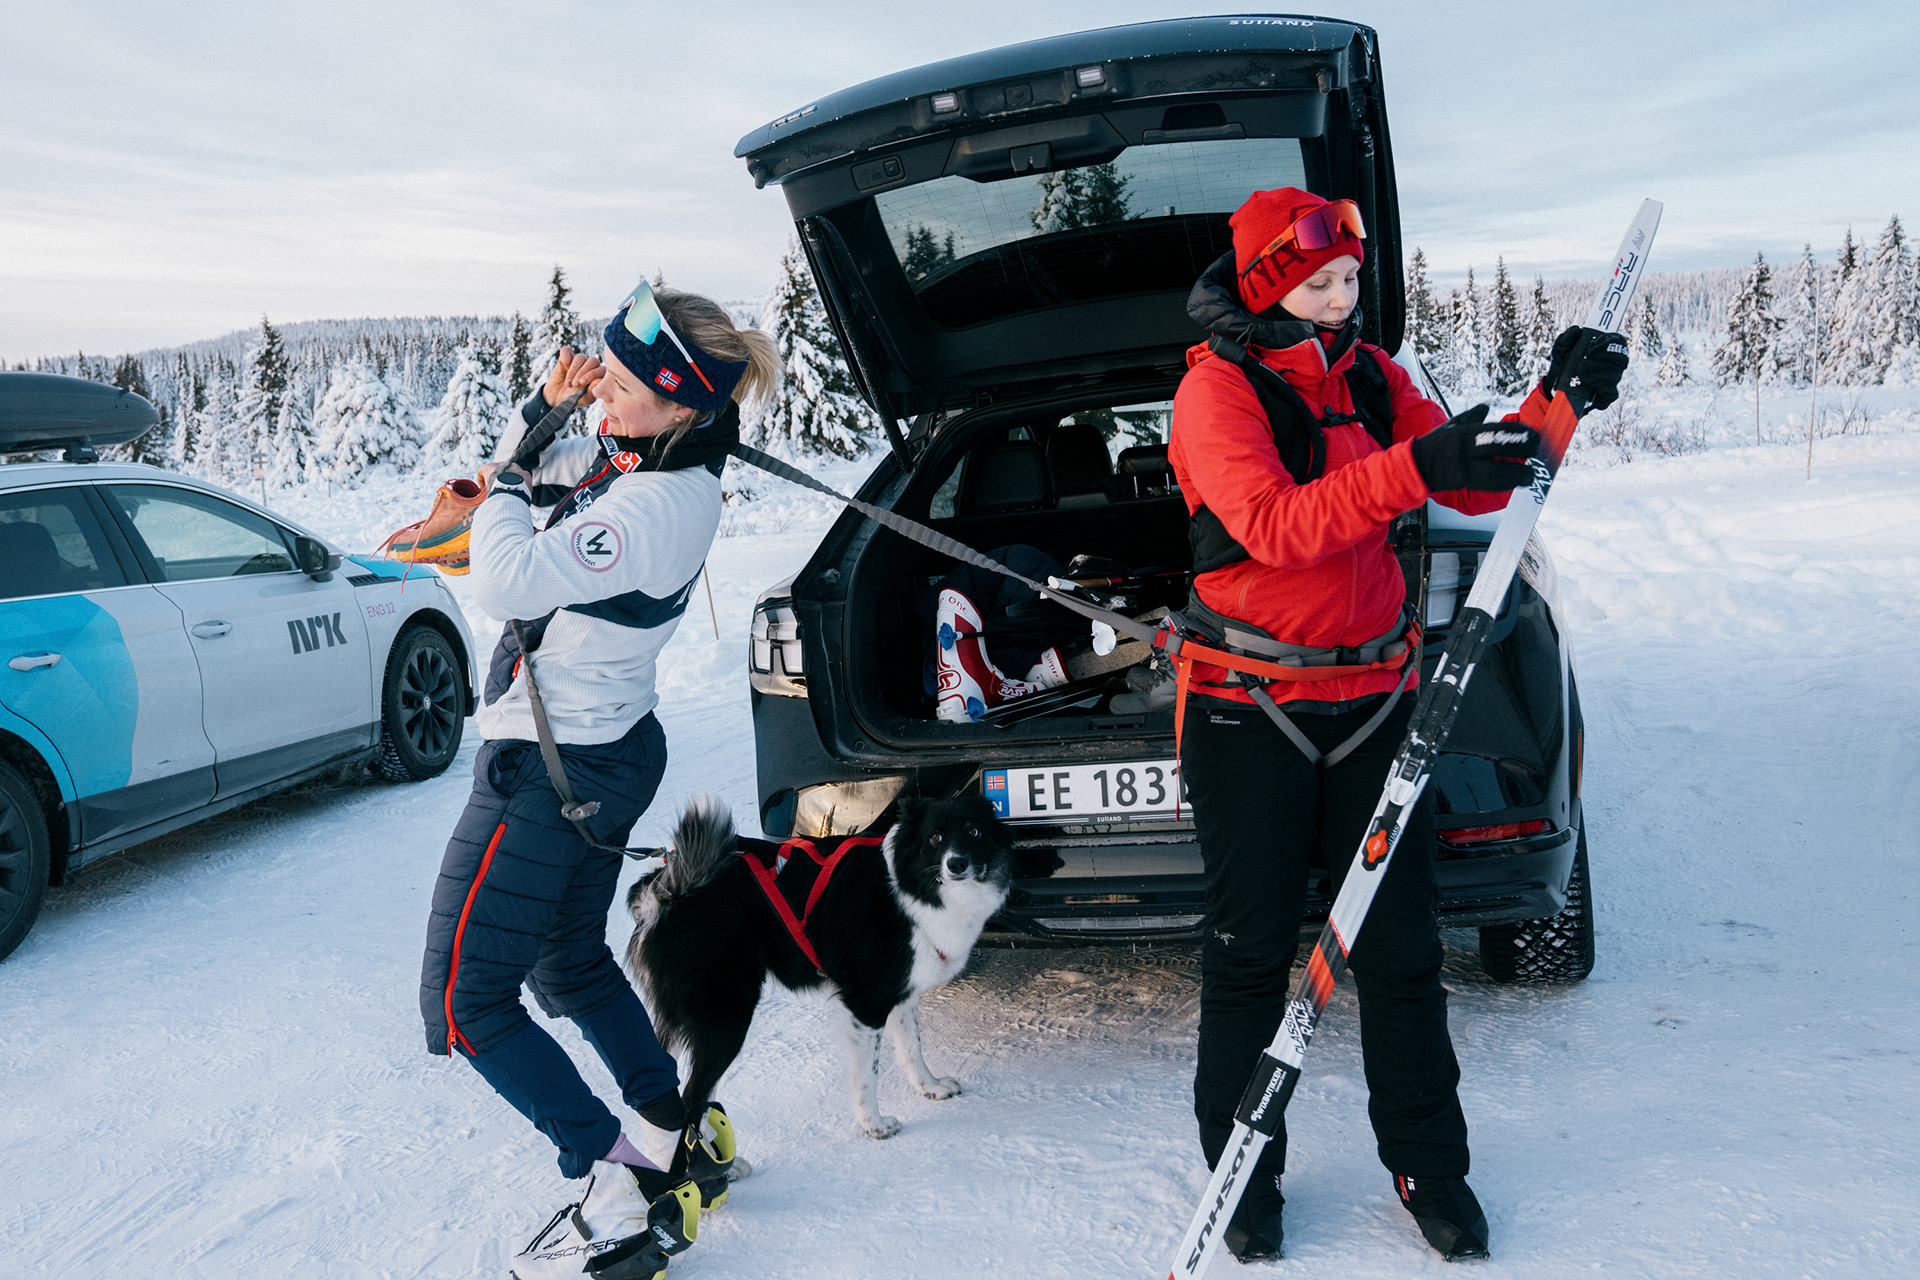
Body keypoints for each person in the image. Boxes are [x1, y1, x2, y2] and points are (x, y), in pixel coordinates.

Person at [1167, 187, 1626, 1262]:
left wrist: (1556, 401)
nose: (1343, 301)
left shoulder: (1373, 377)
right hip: (1251, 711)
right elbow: (1278, 528)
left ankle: (1428, 1165)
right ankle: (1243, 1173)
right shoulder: (1216, 395)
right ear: (1269, 281)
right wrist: (1419, 468)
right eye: (1320, 283)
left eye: (1351, 280)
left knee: (1404, 951)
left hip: (1377, 703)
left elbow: (1489, 470)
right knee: (1246, 953)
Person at [418, 280, 777, 1278]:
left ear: (682, 406)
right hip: (590, 744)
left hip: (550, 762)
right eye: (602, 376)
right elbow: (544, 463)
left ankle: (618, 1180)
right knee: (564, 962)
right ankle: (673, 1126)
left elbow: (505, 576)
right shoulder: (646, 454)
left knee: (464, 998)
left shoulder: (661, 501)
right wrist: (541, 421)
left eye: (622, 385)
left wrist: (504, 488)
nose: (603, 397)